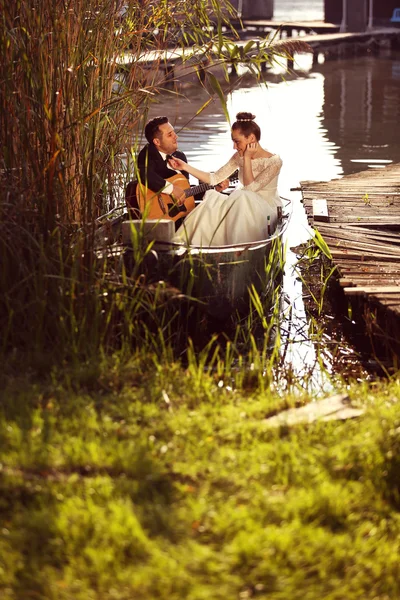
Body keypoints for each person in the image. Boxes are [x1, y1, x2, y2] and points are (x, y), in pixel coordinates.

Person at [168, 112, 283, 246]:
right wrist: (185, 167)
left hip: (266, 206)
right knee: (213, 199)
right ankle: (198, 247)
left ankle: (238, 249)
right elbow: (214, 178)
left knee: (242, 196)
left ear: (251, 138)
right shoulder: (237, 156)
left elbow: (251, 189)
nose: (234, 146)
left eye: (237, 141)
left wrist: (246, 158)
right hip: (243, 201)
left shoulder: (274, 162)